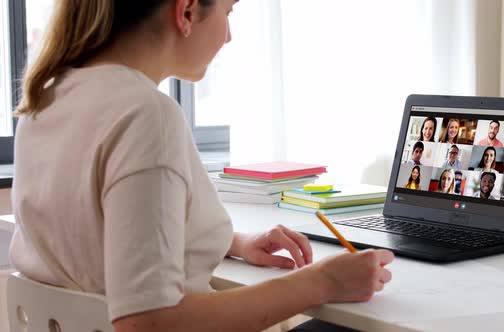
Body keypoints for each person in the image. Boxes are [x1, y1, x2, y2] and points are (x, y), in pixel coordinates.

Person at [10, 2, 394, 332]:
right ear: (187, 10)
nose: (228, 36)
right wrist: (321, 282)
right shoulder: (145, 115)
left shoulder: (44, 101)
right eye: (228, 11)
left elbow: (99, 231)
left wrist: (234, 242)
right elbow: (148, 322)